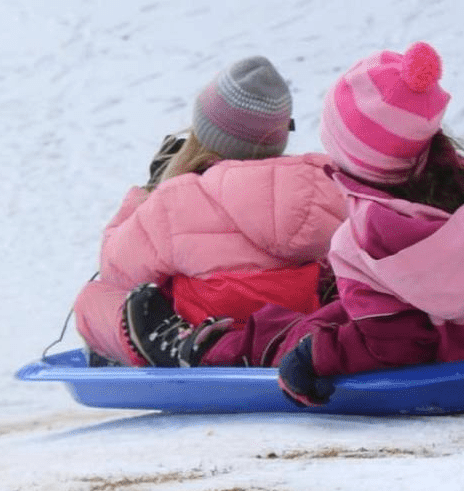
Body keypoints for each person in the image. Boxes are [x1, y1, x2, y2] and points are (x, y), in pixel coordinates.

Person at [150, 41, 464, 406]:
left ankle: (208, 349)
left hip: (430, 344)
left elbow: (394, 340)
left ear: (354, 160)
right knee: (325, 318)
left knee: (293, 333)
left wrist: (316, 360)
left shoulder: (371, 241)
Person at [72, 56, 346, 367]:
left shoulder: (176, 198)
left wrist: (146, 194)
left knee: (92, 300)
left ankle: (169, 345)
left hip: (205, 335)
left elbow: (116, 267)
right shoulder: (325, 186)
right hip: (295, 326)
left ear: (203, 133)